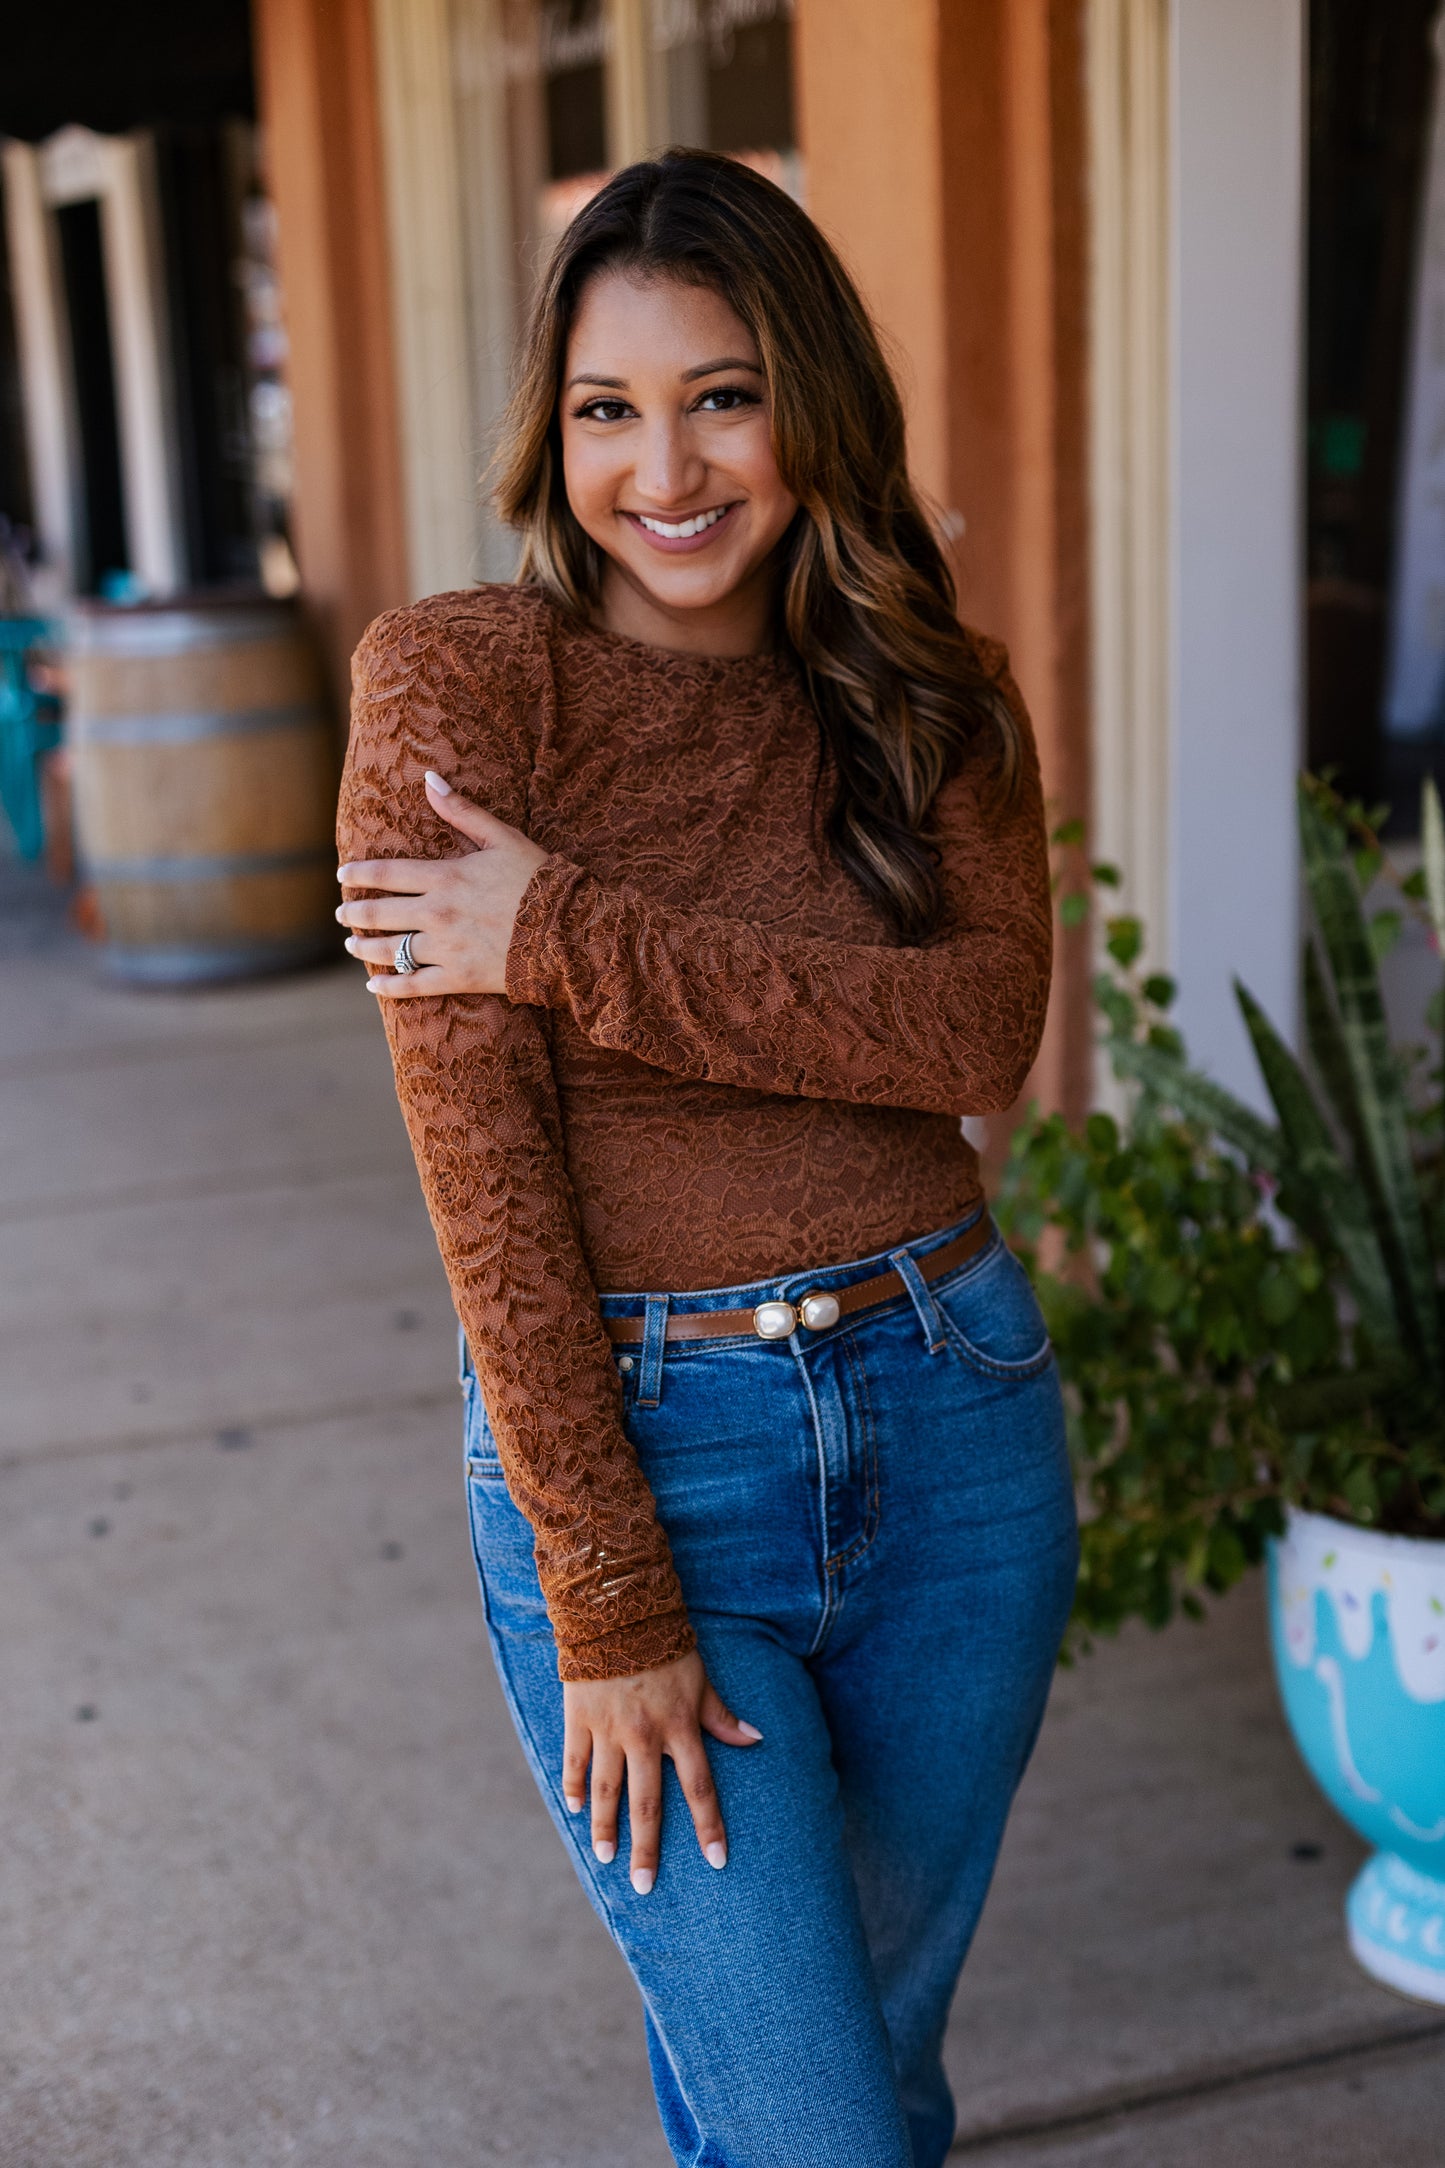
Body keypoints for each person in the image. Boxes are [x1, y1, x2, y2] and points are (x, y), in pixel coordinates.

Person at [335, 148, 1078, 2168]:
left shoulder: (927, 693)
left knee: (863, 2081)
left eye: (720, 395)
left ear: (807, 402)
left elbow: (967, 1035)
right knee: (825, 2126)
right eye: (606, 409)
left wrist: (563, 931)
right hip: (653, 1458)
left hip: (957, 1436)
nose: (664, 467)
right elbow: (483, 1174)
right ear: (550, 429)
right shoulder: (457, 685)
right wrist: (605, 1585)